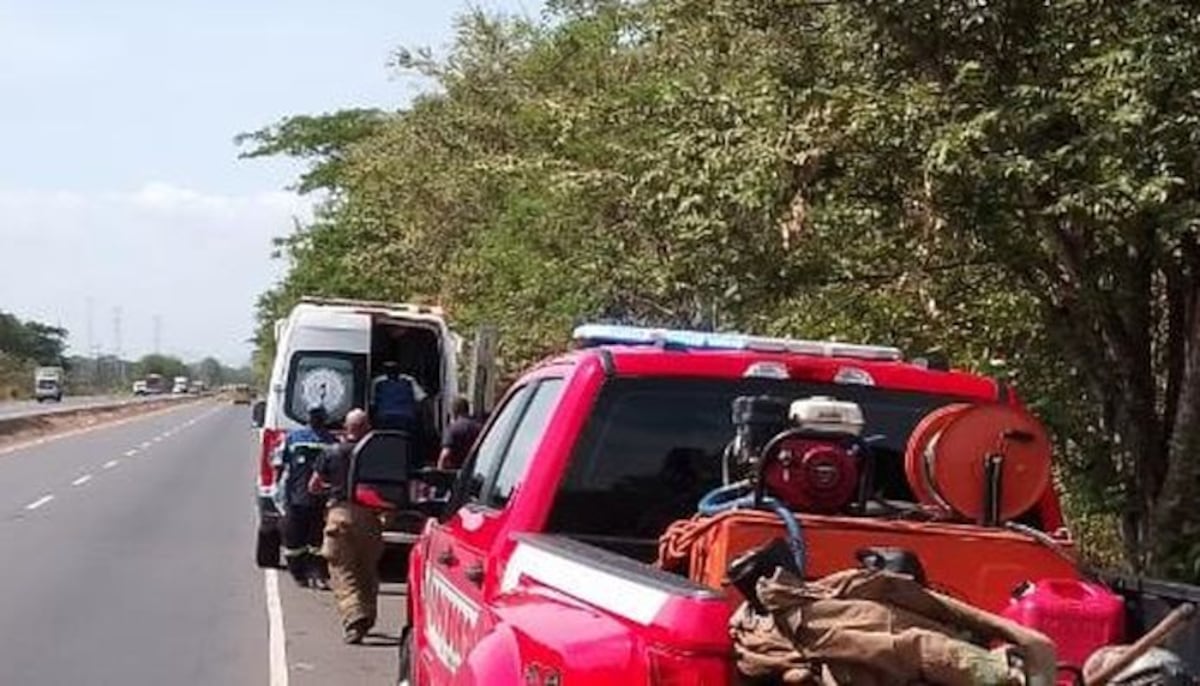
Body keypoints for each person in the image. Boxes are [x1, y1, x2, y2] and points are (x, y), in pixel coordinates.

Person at [312, 408, 385, 644]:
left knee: (342, 569)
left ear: (346, 428)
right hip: (371, 517)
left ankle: (354, 616)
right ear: (368, 428)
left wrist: (330, 488)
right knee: (367, 570)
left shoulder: (331, 452)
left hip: (340, 515)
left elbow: (314, 485)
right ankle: (368, 615)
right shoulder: (377, 455)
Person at [273, 403, 337, 588]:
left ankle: (318, 574)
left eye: (319, 415)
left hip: (321, 499)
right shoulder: (293, 438)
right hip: (295, 498)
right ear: (308, 416)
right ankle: (299, 574)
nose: (316, 418)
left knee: (318, 540)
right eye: (313, 415)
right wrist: (277, 490)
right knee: (294, 540)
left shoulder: (331, 441)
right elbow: (279, 463)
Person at [370, 360, 426, 433]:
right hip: (391, 418)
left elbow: (372, 403)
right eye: (389, 368)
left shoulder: (409, 380)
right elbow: (421, 399)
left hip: (400, 419)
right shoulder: (378, 382)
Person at [437, 397, 482, 470]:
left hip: (458, 471)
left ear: (454, 412)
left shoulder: (452, 429)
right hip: (475, 471)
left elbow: (445, 454)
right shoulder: (479, 427)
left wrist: (439, 470)